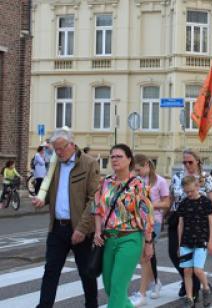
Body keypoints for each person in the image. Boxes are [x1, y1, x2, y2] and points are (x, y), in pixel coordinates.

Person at [31, 129, 99, 308]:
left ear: (72, 144)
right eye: (55, 149)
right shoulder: (55, 164)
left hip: (80, 228)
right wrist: (41, 199)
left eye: (61, 148)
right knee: (51, 270)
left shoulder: (89, 164)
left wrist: (82, 229)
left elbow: (94, 200)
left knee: (86, 272)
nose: (58, 153)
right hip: (57, 228)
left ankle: (91, 305)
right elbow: (52, 191)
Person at [93, 144, 154, 308]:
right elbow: (97, 209)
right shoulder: (105, 182)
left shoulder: (138, 185)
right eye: (112, 156)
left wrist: (148, 243)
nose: (114, 159)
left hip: (130, 239)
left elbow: (146, 216)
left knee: (118, 286)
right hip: (108, 239)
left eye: (119, 156)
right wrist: (97, 231)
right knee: (109, 286)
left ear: (129, 160)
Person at [169, 149, 212, 298]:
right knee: (174, 253)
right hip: (178, 218)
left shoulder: (206, 179)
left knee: (194, 256)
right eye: (184, 162)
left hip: (199, 221)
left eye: (190, 162)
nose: (187, 165)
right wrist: (164, 215)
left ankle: (194, 290)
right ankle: (187, 279)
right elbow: (172, 198)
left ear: (197, 161)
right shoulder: (177, 177)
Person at [130, 154, 170, 306]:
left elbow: (166, 203)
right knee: (147, 255)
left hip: (154, 222)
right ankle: (155, 282)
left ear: (146, 164)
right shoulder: (136, 181)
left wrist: (149, 205)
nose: (137, 172)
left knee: (146, 255)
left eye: (138, 169)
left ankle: (143, 292)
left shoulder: (160, 181)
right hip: (138, 222)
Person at [177, 175, 212, 308]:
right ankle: (189, 298)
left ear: (198, 187)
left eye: (191, 191)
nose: (189, 194)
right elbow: (180, 224)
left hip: (201, 240)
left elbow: (211, 222)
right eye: (186, 192)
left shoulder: (205, 202)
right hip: (186, 241)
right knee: (187, 271)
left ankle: (206, 288)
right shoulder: (184, 203)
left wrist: (211, 241)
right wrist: (179, 244)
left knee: (198, 270)